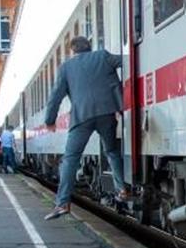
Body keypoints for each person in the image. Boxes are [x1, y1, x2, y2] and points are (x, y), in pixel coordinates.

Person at [43, 36, 132, 220]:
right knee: (112, 151)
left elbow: (56, 96)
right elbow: (126, 59)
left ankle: (62, 203)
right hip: (107, 112)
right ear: (89, 47)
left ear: (72, 51)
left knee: (70, 159)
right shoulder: (103, 56)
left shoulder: (66, 68)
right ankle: (122, 189)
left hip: (82, 117)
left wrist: (50, 120)